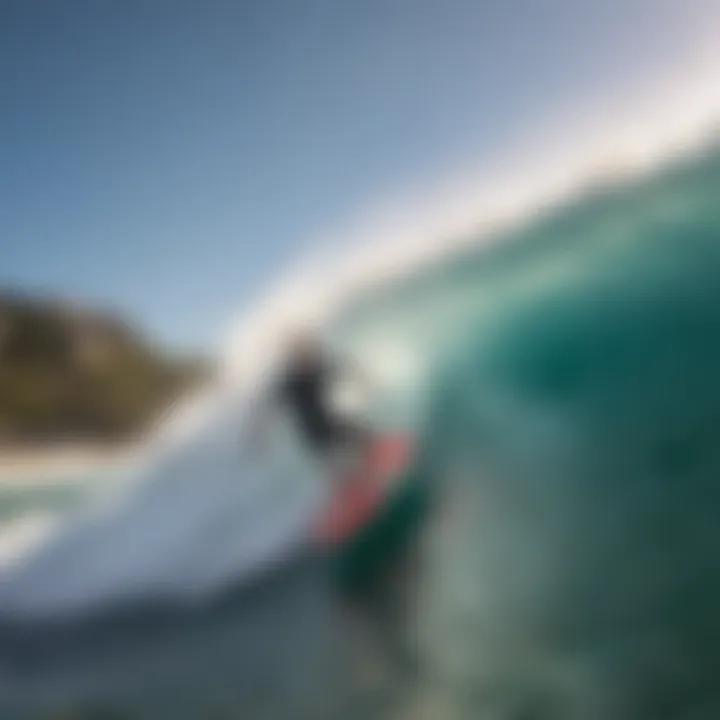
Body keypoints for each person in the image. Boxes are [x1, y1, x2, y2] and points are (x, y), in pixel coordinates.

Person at [248, 330, 373, 483]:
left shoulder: (317, 367)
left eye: (307, 352)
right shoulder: (289, 383)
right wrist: (259, 434)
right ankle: (354, 483)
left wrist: (363, 377)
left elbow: (343, 367)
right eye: (300, 354)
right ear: (293, 358)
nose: (307, 357)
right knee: (340, 466)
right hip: (316, 435)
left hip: (333, 423)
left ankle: (366, 468)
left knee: (362, 441)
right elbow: (270, 408)